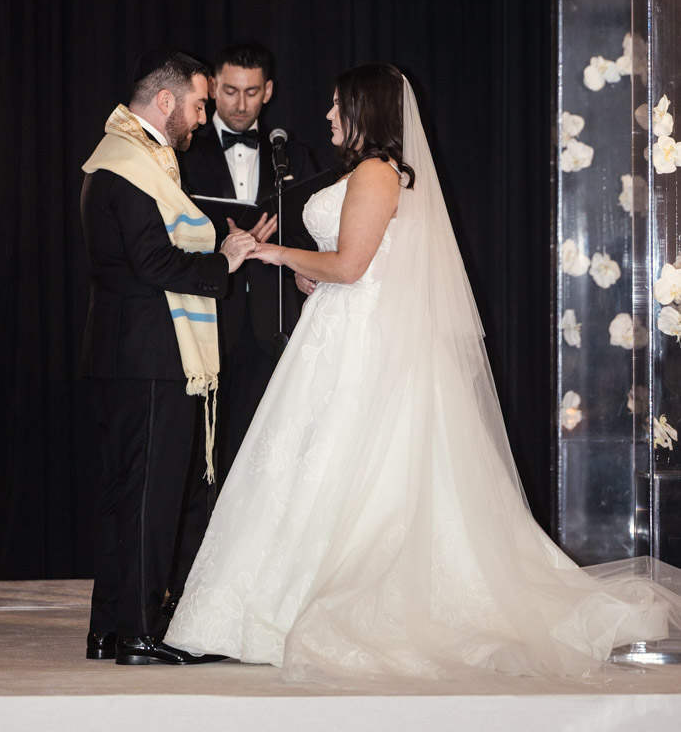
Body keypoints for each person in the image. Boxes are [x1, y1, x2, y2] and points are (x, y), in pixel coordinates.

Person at [165, 63, 681, 682]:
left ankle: (298, 608)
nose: (328, 116)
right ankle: (265, 607)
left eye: (337, 106)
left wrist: (267, 250)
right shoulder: (368, 174)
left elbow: (354, 266)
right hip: (337, 334)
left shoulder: (379, 173)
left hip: (361, 343)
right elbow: (357, 265)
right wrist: (310, 275)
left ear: (364, 112)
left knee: (344, 471)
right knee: (308, 468)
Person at [80, 50, 272, 666]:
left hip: (126, 350)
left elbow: (156, 250)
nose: (201, 117)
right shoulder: (131, 165)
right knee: (148, 497)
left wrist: (226, 245)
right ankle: (138, 633)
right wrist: (225, 263)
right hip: (149, 353)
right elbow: (155, 264)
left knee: (122, 495)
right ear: (165, 102)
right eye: (196, 105)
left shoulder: (126, 160)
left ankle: (109, 628)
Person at [179, 43, 317, 488]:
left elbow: (314, 234)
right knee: (206, 449)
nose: (240, 104)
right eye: (231, 91)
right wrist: (231, 243)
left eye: (252, 92)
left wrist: (274, 243)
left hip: (273, 317)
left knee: (271, 447)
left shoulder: (292, 156)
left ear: (269, 90)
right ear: (214, 87)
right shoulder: (185, 152)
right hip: (210, 316)